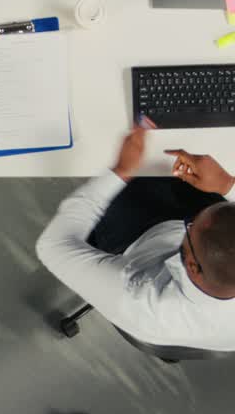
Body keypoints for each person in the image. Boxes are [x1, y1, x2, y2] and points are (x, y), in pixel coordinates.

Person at [35, 124, 235, 350]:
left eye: (191, 224)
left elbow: (52, 246)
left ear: (192, 265)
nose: (189, 220)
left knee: (113, 155)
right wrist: (227, 185)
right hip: (200, 248)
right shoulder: (208, 256)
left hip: (136, 239)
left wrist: (121, 171)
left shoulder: (142, 301)